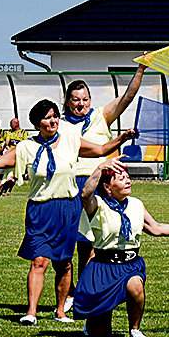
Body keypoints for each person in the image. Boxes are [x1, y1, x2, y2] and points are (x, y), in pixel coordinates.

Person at [0, 98, 137, 326]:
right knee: (39, 261)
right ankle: (31, 312)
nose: (53, 120)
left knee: (64, 263)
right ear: (38, 123)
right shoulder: (26, 147)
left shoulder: (70, 140)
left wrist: (121, 138)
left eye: (55, 115)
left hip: (68, 208)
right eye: (47, 117)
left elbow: (101, 150)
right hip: (40, 209)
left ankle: (60, 311)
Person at [73, 158, 169, 337]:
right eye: (121, 178)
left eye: (128, 177)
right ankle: (93, 322)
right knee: (99, 333)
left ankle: (134, 329)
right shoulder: (97, 204)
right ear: (107, 187)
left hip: (130, 264)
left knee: (136, 286)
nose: (127, 180)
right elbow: (85, 194)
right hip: (104, 266)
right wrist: (99, 168)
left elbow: (156, 228)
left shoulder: (136, 204)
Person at [62, 65, 149, 305]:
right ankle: (72, 292)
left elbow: (127, 97)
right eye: (76, 100)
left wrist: (141, 69)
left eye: (85, 99)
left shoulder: (101, 115)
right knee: (76, 243)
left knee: (96, 242)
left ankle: (91, 291)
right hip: (73, 186)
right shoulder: (60, 126)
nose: (81, 104)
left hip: (103, 185)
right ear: (68, 102)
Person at [0, 117, 28, 195]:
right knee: (10, 169)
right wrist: (7, 149)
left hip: (19, 153)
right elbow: (7, 143)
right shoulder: (9, 132)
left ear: (17, 124)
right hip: (10, 153)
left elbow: (25, 144)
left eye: (12, 124)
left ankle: (4, 182)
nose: (10, 125)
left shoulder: (24, 133)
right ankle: (7, 182)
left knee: (10, 169)